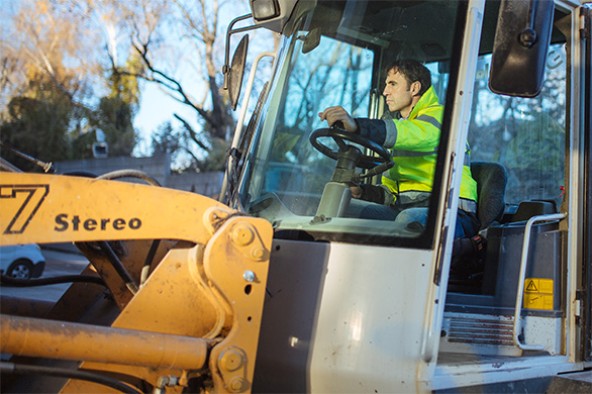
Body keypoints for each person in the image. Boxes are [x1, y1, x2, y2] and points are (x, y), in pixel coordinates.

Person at [318, 59, 480, 238]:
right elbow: (392, 194)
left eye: (392, 84)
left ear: (414, 88)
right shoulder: (402, 127)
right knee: (337, 208)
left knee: (407, 219)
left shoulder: (441, 117)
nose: (385, 91)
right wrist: (362, 191)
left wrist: (357, 126)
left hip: (451, 211)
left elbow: (412, 133)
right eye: (386, 85)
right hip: (406, 209)